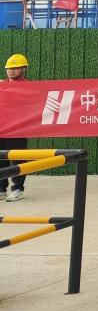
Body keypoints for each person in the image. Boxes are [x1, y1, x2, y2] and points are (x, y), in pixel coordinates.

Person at [0, 54, 31, 202]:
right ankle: (1, 189)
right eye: (9, 68)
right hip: (2, 128)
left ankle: (18, 188)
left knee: (18, 158)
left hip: (18, 129)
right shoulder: (2, 85)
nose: (11, 71)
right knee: (1, 158)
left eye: (15, 68)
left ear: (23, 69)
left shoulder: (29, 87)